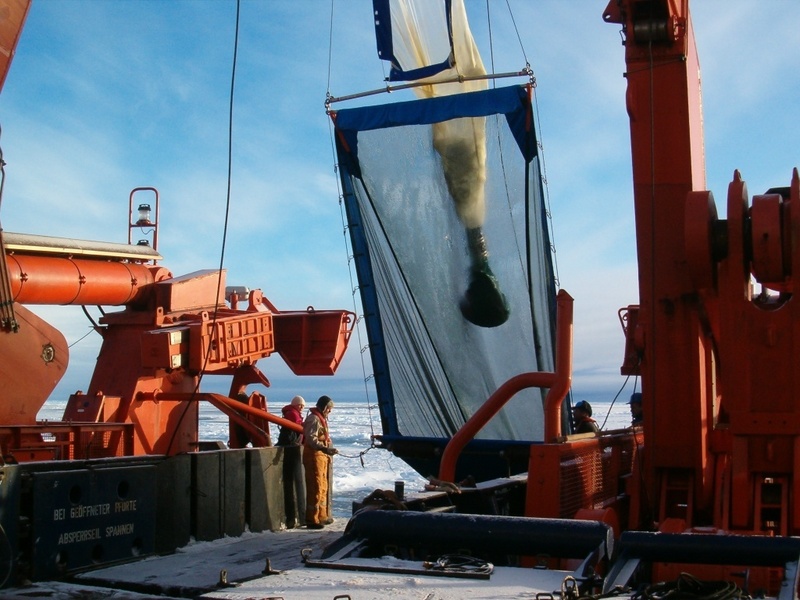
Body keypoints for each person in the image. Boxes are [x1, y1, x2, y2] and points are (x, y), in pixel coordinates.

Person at [302, 395, 338, 529]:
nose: (330, 411)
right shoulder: (314, 419)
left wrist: (327, 448)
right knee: (315, 487)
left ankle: (321, 516)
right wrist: (323, 447)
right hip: (314, 456)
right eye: (328, 408)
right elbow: (311, 439)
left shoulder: (321, 419)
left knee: (323, 486)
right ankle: (312, 519)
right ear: (323, 407)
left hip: (321, 456)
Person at [277, 395, 306, 529]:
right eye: (300, 405)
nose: (301, 407)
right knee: (291, 482)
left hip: (291, 447)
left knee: (291, 483)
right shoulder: (293, 415)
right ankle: (293, 517)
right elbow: (297, 428)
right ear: (295, 405)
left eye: (302, 405)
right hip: (291, 449)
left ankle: (292, 518)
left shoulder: (291, 413)